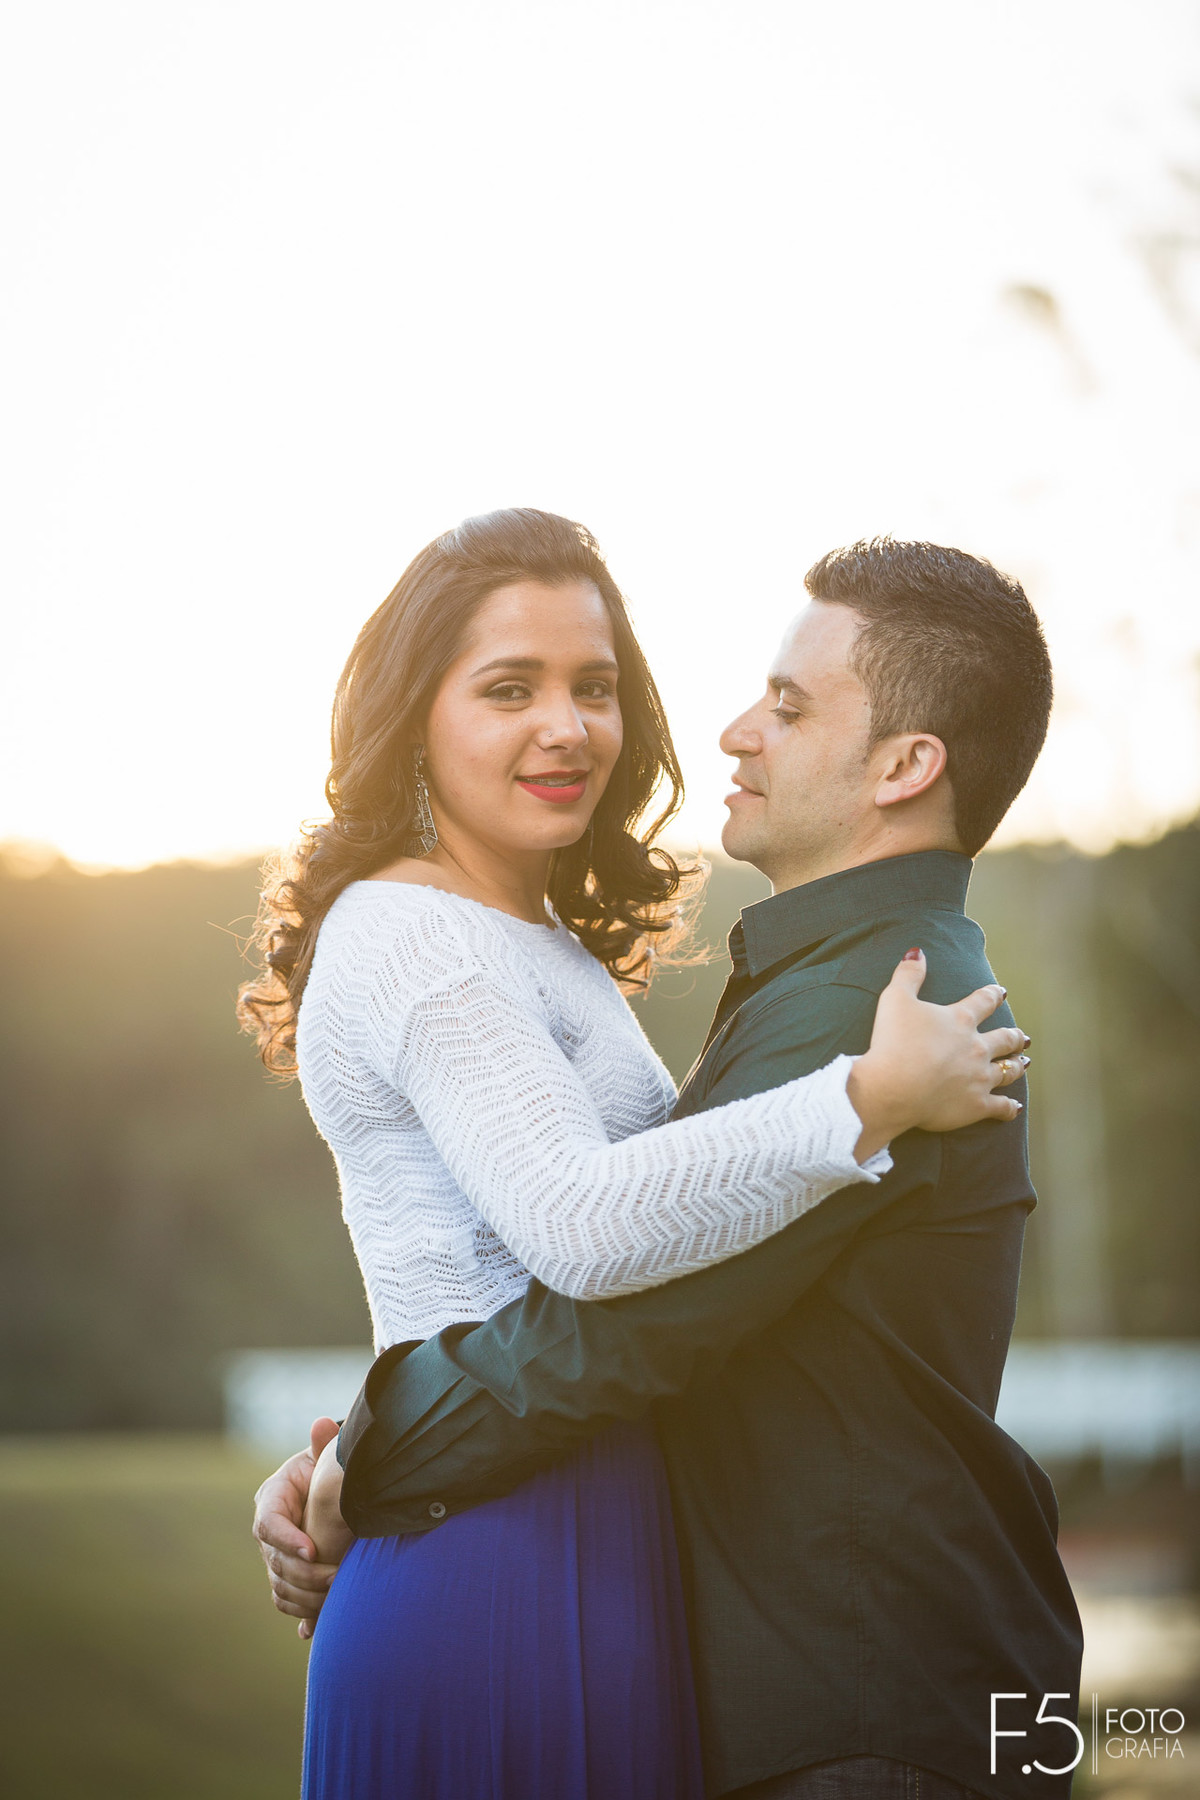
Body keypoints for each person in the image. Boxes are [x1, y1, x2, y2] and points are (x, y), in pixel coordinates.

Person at [247, 517, 1036, 1800]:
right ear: (417, 717)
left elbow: (603, 1269)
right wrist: (866, 1102)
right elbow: (583, 1241)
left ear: (905, 764)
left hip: (626, 1566)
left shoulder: (631, 957)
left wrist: (370, 1444)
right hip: (502, 1551)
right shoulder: (418, 936)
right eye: (511, 688)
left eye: (594, 687)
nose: (571, 726)